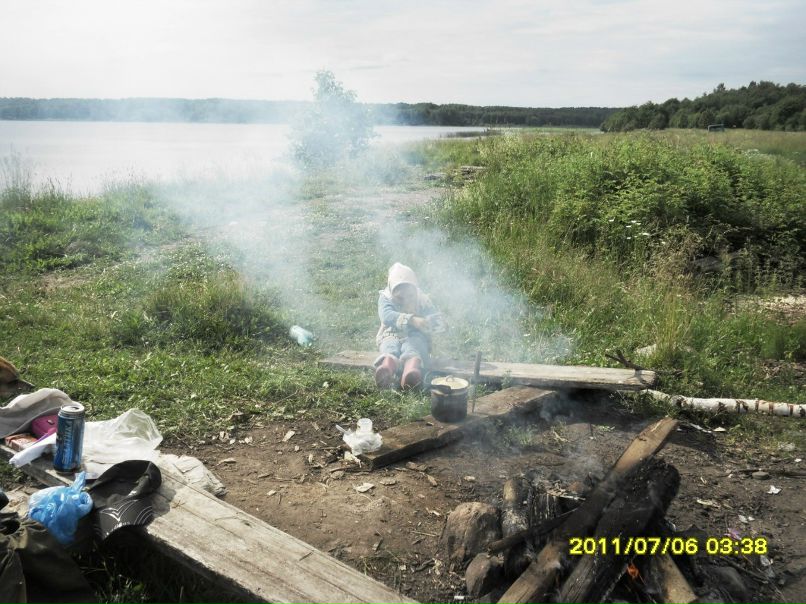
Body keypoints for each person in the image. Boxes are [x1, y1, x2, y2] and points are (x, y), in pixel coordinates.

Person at [374, 263, 441, 390]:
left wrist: (436, 322)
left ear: (415, 289)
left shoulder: (422, 299)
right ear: (391, 290)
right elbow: (386, 316)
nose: (406, 300)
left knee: (415, 346)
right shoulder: (386, 298)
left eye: (410, 296)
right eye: (400, 298)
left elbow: (431, 314)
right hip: (391, 333)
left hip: (415, 334)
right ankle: (387, 367)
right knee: (390, 346)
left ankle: (411, 370)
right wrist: (411, 319)